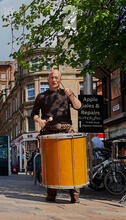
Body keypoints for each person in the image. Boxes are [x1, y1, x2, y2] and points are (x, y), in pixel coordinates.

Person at [32, 69, 82, 203]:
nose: (54, 80)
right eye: (51, 77)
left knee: (70, 163)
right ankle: (51, 193)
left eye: (56, 78)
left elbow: (78, 106)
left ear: (60, 80)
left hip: (66, 131)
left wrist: (71, 96)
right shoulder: (41, 96)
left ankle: (74, 193)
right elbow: (34, 114)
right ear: (48, 79)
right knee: (51, 164)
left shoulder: (66, 94)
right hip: (49, 132)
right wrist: (39, 121)